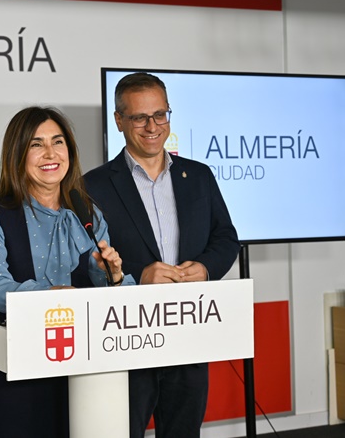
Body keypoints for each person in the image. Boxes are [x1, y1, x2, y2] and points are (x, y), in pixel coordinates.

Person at [83, 72, 240, 438]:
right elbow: (85, 258)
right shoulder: (92, 185)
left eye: (160, 114)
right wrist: (139, 275)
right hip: (125, 337)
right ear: (119, 120)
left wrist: (205, 267)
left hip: (188, 332)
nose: (152, 126)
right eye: (139, 117)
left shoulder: (198, 176)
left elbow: (226, 237)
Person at [0, 106, 135, 438]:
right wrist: (51, 296)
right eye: (36, 144)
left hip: (81, 367)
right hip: (18, 366)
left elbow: (109, 295)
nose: (50, 153)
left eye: (58, 142)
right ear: (17, 154)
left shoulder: (88, 211)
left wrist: (112, 274)